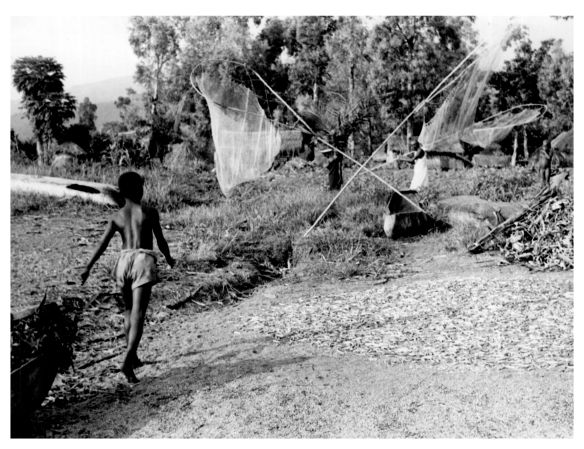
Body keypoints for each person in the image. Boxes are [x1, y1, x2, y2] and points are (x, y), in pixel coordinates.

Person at [81, 171, 175, 383]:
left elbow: (102, 244)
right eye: (141, 187)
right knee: (139, 314)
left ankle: (134, 358)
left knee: (127, 312)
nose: (143, 190)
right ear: (136, 190)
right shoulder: (150, 212)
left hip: (122, 262)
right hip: (143, 260)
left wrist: (88, 267)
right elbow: (160, 240)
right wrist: (168, 258)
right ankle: (127, 360)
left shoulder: (117, 216)